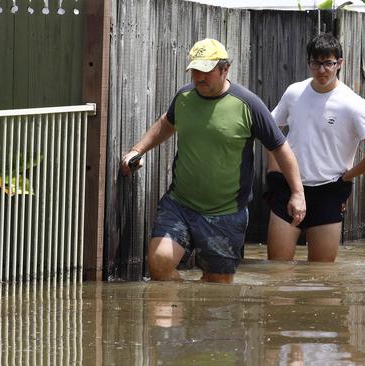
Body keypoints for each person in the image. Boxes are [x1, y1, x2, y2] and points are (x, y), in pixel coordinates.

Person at [120, 38, 306, 284]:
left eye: (206, 71)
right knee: (159, 263)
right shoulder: (185, 97)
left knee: (217, 288)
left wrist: (297, 193)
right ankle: (179, 309)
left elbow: (281, 148)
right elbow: (166, 123)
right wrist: (137, 150)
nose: (199, 77)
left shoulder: (248, 104)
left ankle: (194, 312)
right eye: (195, 70)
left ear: (224, 69)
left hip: (226, 213)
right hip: (181, 204)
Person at [265, 33, 365, 262]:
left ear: (339, 64)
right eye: (316, 63)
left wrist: (347, 178)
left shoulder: (352, 103)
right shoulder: (294, 92)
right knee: (277, 269)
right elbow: (270, 130)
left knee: (322, 276)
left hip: (328, 191)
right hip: (288, 187)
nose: (322, 70)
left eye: (329, 63)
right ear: (309, 63)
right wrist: (273, 171)